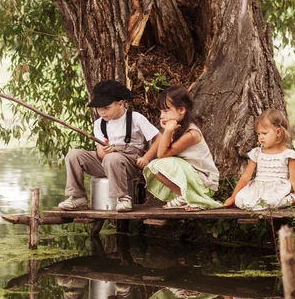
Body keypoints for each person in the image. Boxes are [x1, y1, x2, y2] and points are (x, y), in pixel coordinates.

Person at [58, 79, 161, 213]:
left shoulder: (135, 118)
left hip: (129, 162)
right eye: (99, 109)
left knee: (112, 158)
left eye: (106, 108)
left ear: (120, 104)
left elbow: (159, 138)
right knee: (74, 155)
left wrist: (147, 157)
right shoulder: (99, 124)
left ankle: (123, 198)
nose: (102, 112)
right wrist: (106, 150)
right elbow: (101, 154)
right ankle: (78, 197)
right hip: (107, 161)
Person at [144, 85, 222, 211]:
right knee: (154, 168)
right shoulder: (176, 128)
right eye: (161, 111)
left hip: (204, 182)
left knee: (159, 163)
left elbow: (162, 154)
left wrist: (168, 130)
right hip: (191, 177)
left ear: (181, 110)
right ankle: (184, 196)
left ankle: (194, 197)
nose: (162, 116)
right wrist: (168, 131)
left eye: (166, 111)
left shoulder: (191, 134)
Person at [223, 109, 295, 210]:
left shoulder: (288, 155)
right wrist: (233, 197)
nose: (260, 137)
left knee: (270, 203)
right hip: (258, 188)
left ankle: (294, 198)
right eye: (258, 134)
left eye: (264, 133)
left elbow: (294, 180)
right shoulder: (257, 153)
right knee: (240, 200)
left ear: (278, 132)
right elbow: (246, 176)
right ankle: (288, 200)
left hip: (276, 189)